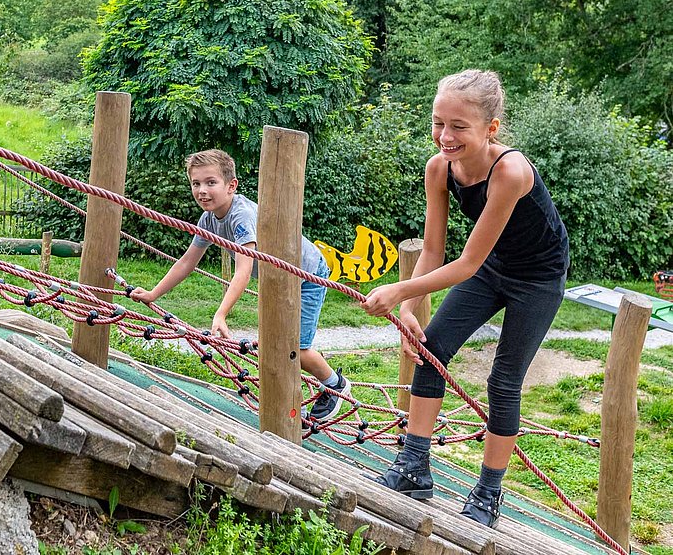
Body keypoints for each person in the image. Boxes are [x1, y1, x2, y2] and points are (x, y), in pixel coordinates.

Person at [360, 69, 569, 527]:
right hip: (493, 267)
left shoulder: (510, 171)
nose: (444, 136)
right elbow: (434, 250)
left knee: (503, 379)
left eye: (459, 126)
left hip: (537, 278)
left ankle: (489, 493)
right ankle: (413, 467)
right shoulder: (439, 168)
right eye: (438, 122)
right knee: (430, 350)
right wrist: (410, 312)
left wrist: (397, 292)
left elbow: (466, 263)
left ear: (491, 129)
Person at [131, 149, 352, 422]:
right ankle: (292, 400)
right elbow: (188, 261)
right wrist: (154, 293)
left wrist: (221, 313)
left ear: (231, 185)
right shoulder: (209, 219)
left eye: (211, 182)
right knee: (274, 342)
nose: (202, 190)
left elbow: (243, 271)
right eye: (196, 183)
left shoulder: (241, 216)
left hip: (306, 276)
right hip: (277, 279)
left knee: (295, 345)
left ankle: (335, 385)